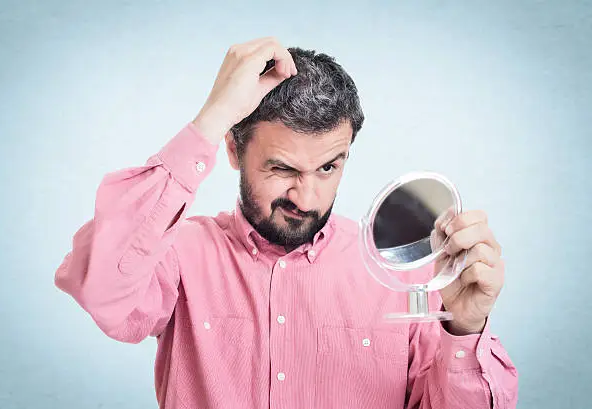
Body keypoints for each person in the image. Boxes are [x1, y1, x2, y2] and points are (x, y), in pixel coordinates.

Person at [55, 37, 518, 409]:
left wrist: (464, 330)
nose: (307, 198)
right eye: (282, 169)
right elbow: (103, 289)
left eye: (329, 167)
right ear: (234, 151)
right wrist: (211, 120)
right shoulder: (180, 252)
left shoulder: (401, 271)